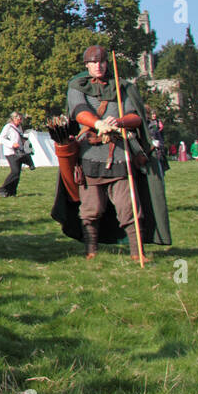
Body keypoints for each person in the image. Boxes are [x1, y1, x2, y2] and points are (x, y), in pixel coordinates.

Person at [64, 45, 147, 259]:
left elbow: (136, 117)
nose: (98, 66)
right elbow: (78, 112)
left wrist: (119, 121)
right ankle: (91, 251)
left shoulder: (122, 87)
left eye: (101, 62)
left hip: (119, 152)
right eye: (93, 62)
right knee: (91, 209)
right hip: (90, 153)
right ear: (87, 65)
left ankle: (137, 253)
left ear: (107, 64)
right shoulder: (77, 87)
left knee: (128, 206)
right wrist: (98, 123)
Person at [0, 112, 26, 197]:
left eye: (21, 119)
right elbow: (1, 139)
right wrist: (11, 144)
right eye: (18, 119)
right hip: (10, 152)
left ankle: (12, 191)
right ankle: (3, 189)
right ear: (13, 118)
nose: (20, 121)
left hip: (19, 152)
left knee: (18, 173)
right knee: (15, 171)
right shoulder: (8, 127)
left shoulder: (19, 127)